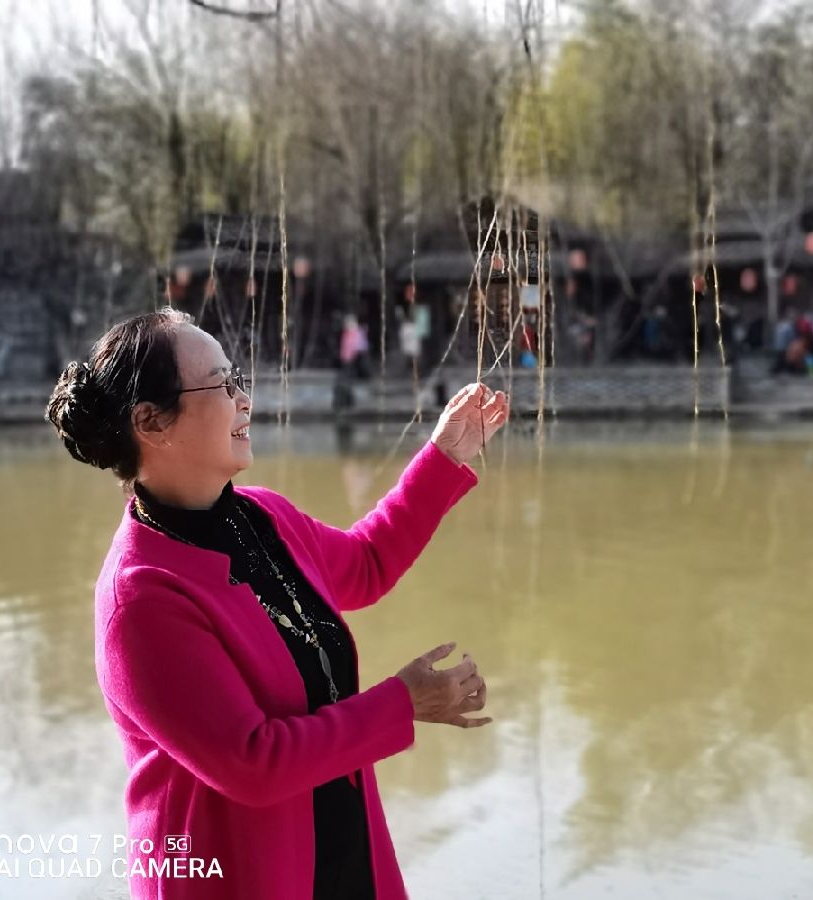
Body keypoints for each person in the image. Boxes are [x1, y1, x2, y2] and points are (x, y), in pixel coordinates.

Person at [45, 307, 509, 900]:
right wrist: (401, 703)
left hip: (343, 855)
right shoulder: (141, 598)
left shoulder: (262, 516)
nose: (244, 400)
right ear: (151, 422)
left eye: (237, 379)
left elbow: (366, 565)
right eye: (221, 385)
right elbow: (253, 764)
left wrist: (444, 456)